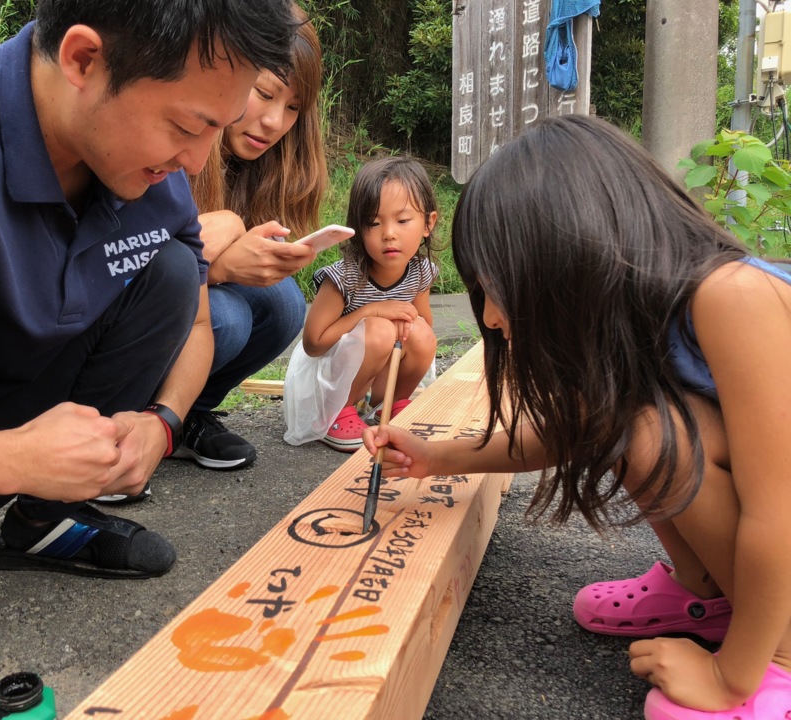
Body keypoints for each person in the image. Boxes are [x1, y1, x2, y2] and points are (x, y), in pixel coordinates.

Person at [0, 1, 296, 717]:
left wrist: (163, 423)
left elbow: (196, 321)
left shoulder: (154, 180)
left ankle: (43, 520)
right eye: (186, 125)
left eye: (218, 129)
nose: (199, 162)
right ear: (83, 59)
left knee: (171, 270)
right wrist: (12, 458)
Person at [363, 114, 791, 719]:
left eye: (497, 289)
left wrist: (730, 678)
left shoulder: (735, 299)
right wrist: (440, 456)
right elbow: (579, 428)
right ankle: (711, 594)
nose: (488, 318)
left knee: (648, 432)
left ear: (569, 255)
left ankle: (778, 660)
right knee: (625, 417)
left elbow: (779, 517)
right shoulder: (645, 318)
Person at [178, 5, 328, 470]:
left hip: (190, 295)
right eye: (264, 94)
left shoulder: (273, 170)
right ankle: (126, 418)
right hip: (127, 315)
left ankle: (188, 416)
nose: (274, 122)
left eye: (293, 108)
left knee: (283, 303)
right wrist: (219, 266)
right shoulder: (174, 143)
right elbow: (128, 269)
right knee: (226, 318)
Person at [284, 156, 439, 452]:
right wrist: (369, 312)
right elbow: (313, 345)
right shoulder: (345, 277)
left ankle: (387, 406)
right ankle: (338, 414)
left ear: (427, 224)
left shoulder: (421, 272)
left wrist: (402, 325)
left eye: (403, 220)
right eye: (374, 222)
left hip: (373, 367)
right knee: (379, 329)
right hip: (325, 380)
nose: (389, 233)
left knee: (419, 331)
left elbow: (424, 332)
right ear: (358, 229)